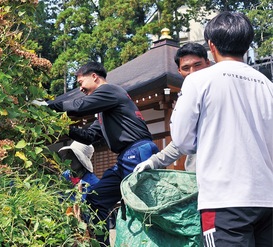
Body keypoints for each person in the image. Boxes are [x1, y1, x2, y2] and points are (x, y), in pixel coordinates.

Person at [170, 12, 273, 246]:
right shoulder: (268, 85)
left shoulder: (198, 81)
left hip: (224, 199)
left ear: (211, 46)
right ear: (247, 46)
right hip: (267, 197)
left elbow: (182, 140)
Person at [34, 61, 159, 246]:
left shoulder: (111, 90)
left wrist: (48, 106)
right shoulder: (104, 110)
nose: (80, 88)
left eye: (80, 82)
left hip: (138, 152)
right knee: (94, 198)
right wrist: (60, 127)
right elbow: (89, 136)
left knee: (144, 207)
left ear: (94, 76)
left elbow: (79, 105)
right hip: (125, 157)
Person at [134, 42, 210, 172]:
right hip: (198, 178)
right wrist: (154, 161)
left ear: (208, 63)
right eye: (186, 68)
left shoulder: (220, 91)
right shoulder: (186, 96)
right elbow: (179, 143)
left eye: (197, 65)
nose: (193, 72)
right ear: (179, 71)